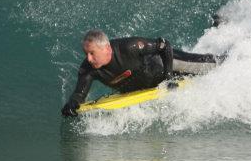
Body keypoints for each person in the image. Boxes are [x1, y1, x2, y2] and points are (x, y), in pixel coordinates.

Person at [61, 29, 220, 117]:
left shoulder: (130, 47)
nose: (88, 59)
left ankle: (236, 52)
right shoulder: (88, 70)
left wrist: (169, 76)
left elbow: (164, 45)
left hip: (166, 66)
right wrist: (72, 104)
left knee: (212, 66)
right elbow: (79, 94)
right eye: (85, 53)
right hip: (150, 84)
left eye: (92, 53)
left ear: (107, 48)